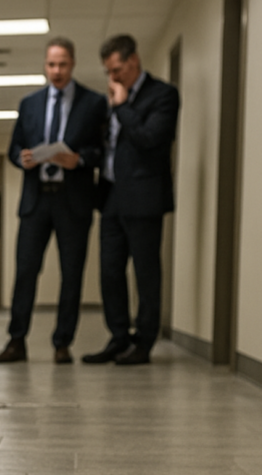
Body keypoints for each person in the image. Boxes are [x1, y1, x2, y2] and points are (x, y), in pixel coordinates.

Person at [0, 37, 107, 365]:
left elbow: (103, 151)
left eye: (63, 64)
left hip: (73, 201)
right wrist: (22, 158)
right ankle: (16, 341)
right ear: (45, 65)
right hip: (35, 201)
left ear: (73, 64)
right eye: (51, 64)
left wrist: (79, 160)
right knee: (25, 271)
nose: (57, 71)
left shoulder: (93, 103)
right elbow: (14, 148)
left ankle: (62, 343)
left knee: (72, 274)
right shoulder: (30, 104)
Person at [82, 34, 180, 365]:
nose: (113, 77)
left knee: (145, 272)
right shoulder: (110, 98)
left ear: (134, 61)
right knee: (109, 271)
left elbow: (149, 139)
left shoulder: (163, 95)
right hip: (111, 196)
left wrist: (122, 106)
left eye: (118, 69)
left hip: (144, 198)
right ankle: (118, 336)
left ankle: (144, 341)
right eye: (109, 71)